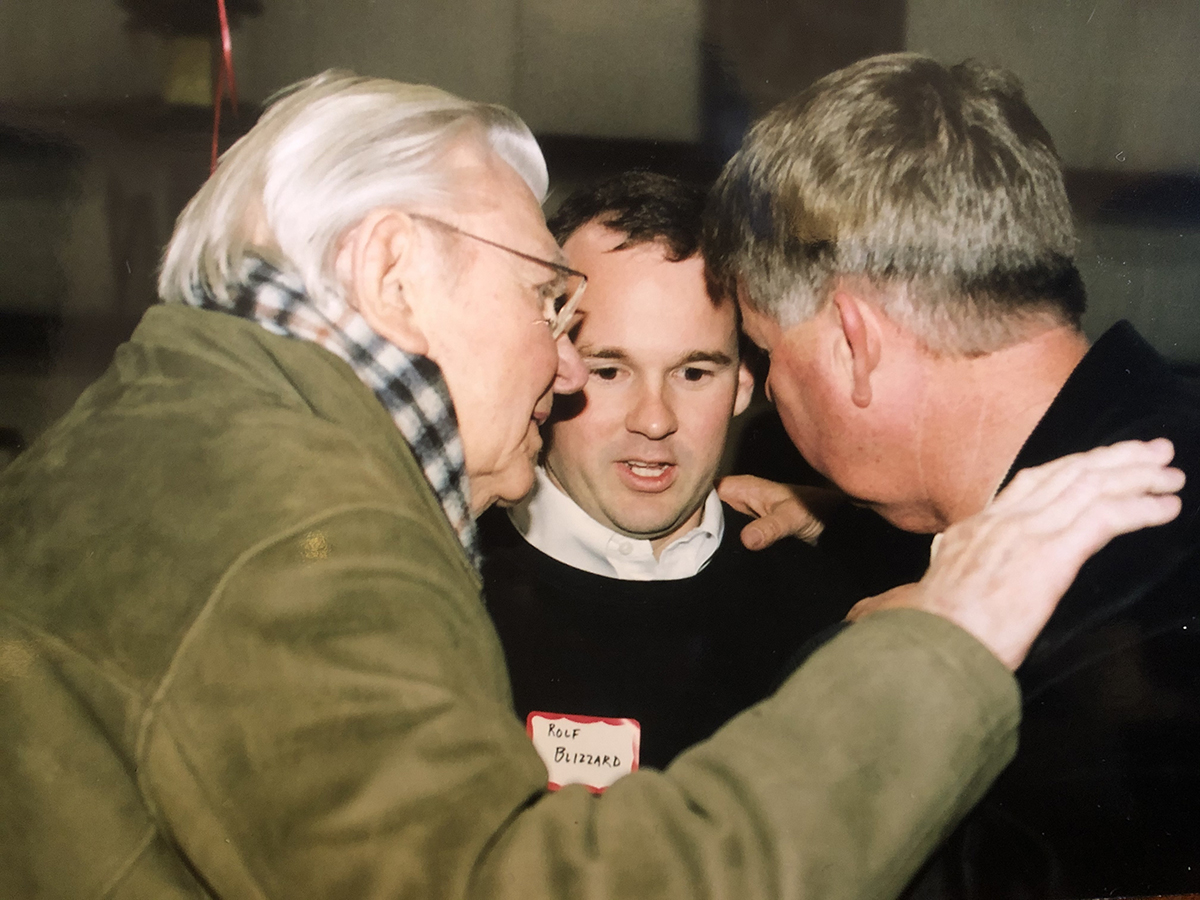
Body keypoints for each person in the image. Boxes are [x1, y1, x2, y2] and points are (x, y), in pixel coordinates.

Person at [0, 70, 1182, 900]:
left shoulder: (194, 442)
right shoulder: (298, 526)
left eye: (721, 365)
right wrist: (939, 647)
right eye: (550, 306)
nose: (569, 372)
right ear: (394, 272)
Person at [705, 52, 1200, 899]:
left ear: (853, 346)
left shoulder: (1020, 683)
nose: (764, 390)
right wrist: (868, 520)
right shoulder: (1163, 455)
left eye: (766, 351)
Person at [481, 172, 860, 778]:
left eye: (692, 373)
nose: (654, 422)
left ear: (741, 385)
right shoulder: (447, 587)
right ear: (550, 368)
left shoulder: (832, 604)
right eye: (609, 371)